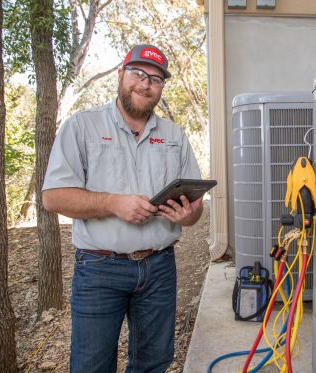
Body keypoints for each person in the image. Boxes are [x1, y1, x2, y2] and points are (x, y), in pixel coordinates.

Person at [42, 44, 203, 373]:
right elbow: (53, 197)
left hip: (159, 267)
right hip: (100, 270)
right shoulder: (82, 127)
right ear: (121, 75)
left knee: (153, 363)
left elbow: (196, 209)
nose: (146, 84)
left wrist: (190, 215)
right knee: (92, 365)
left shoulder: (174, 136)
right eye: (139, 74)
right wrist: (113, 204)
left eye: (156, 80)